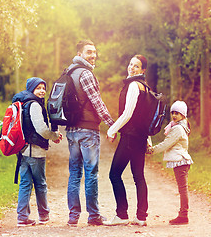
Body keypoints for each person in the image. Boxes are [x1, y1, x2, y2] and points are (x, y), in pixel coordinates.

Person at [65, 40, 115, 226]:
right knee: (91, 172)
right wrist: (112, 125)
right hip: (87, 130)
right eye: (89, 52)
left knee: (74, 173)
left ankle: (73, 217)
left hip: (71, 130)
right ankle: (93, 216)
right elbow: (97, 102)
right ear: (80, 54)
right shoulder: (85, 73)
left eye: (94, 52)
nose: (93, 55)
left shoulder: (68, 72)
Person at [105, 55, 150, 227]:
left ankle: (122, 214)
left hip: (130, 138)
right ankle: (141, 217)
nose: (132, 68)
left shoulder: (133, 85)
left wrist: (111, 130)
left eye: (136, 66)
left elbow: (127, 114)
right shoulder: (145, 87)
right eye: (131, 64)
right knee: (139, 176)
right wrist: (149, 141)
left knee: (114, 174)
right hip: (140, 137)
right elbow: (146, 118)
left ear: (143, 70)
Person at [12, 77, 62, 227]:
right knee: (40, 183)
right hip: (35, 151)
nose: (42, 91)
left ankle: (22, 217)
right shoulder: (34, 105)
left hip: (22, 150)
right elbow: (41, 129)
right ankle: (44, 215)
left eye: (43, 88)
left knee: (25, 183)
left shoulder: (23, 103)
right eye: (38, 88)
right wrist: (54, 136)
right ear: (31, 89)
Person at [146, 100, 193, 225]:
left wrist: (151, 150)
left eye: (177, 113)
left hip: (180, 161)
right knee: (182, 189)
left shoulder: (178, 128)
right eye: (172, 112)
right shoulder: (179, 126)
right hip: (181, 161)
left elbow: (166, 144)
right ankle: (183, 214)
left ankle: (183, 215)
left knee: (183, 189)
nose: (174, 115)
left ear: (183, 114)